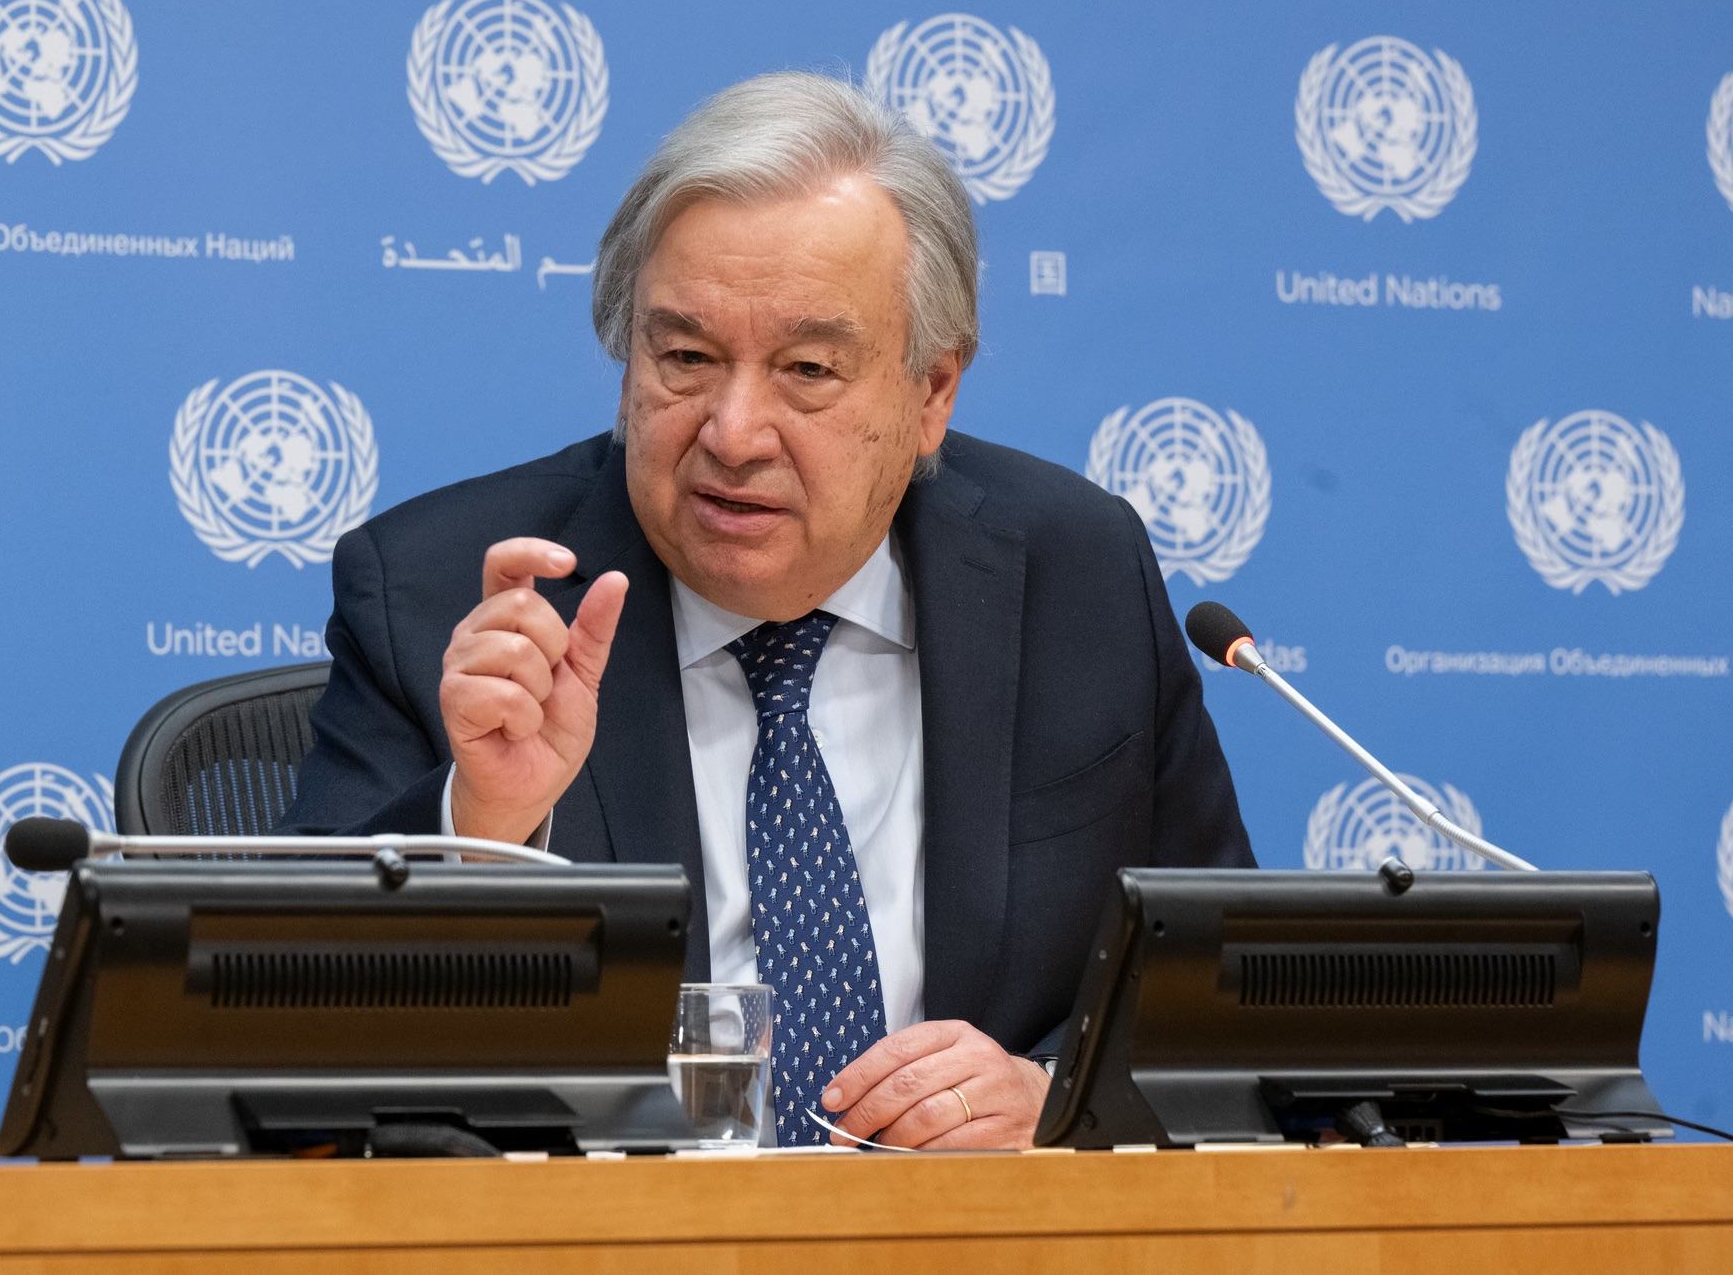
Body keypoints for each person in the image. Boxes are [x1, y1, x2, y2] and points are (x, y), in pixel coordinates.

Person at [281, 72, 1253, 1149]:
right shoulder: (440, 594)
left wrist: (1061, 1100)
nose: (733, 432)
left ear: (930, 393)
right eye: (685, 358)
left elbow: (1218, 1006)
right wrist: (486, 827)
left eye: (805, 370)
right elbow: (287, 1047)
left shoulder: (1075, 572)